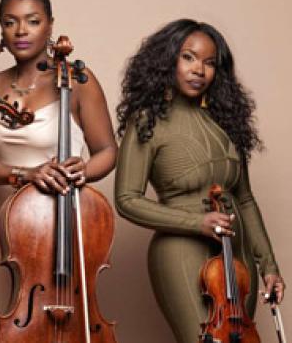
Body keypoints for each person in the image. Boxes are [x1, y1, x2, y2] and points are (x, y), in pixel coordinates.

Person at [114, 18, 285, 342]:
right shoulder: (147, 122)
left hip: (238, 254)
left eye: (209, 63)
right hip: (180, 249)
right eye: (188, 57)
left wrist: (270, 267)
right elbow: (127, 200)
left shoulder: (227, 124)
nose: (199, 70)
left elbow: (245, 199)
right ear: (168, 61)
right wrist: (197, 223)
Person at [0, 0, 117, 314]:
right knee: (11, 323)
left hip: (62, 225)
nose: (21, 30)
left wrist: (84, 170)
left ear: (50, 24)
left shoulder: (77, 80)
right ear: (1, 29)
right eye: (10, 21)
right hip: (5, 233)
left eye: (32, 21)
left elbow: (107, 150)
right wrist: (26, 173)